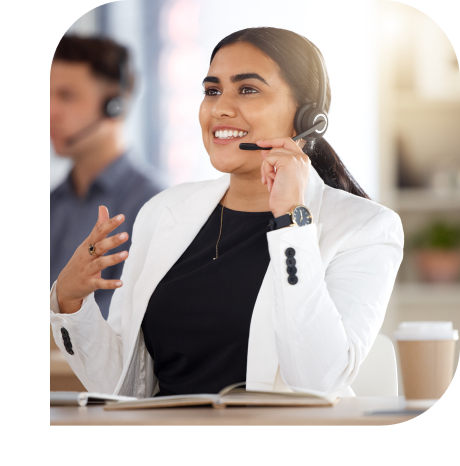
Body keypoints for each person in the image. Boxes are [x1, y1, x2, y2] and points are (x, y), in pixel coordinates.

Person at [50, 27, 404, 398]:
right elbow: (123, 388)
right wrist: (72, 303)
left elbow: (316, 383)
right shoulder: (163, 211)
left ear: (307, 117)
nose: (219, 107)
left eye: (247, 89)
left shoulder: (366, 228)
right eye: (212, 90)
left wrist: (291, 220)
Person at [50, 35, 163, 320]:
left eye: (66, 96)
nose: (52, 111)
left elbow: (122, 325)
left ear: (114, 104)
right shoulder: (55, 203)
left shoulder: (153, 205)